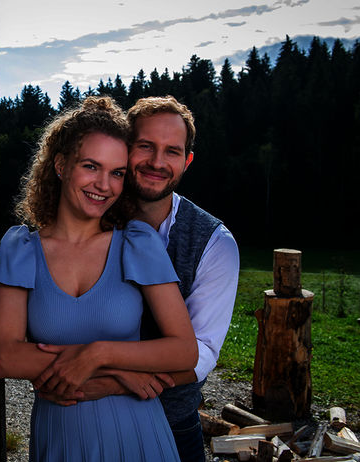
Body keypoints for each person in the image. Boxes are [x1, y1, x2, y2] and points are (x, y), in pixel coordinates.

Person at [0, 96, 198, 461]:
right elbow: (5, 357)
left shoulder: (137, 243)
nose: (104, 185)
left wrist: (99, 355)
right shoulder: (21, 248)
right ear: (60, 165)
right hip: (61, 438)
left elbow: (184, 351)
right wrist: (124, 374)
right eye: (91, 166)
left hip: (138, 436)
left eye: (117, 172)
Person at [61, 96, 240, 462]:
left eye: (172, 152)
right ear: (125, 149)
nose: (157, 163)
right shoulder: (88, 210)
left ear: (186, 161)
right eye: (145, 146)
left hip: (170, 426)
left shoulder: (215, 242)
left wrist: (112, 376)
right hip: (80, 418)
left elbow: (202, 351)